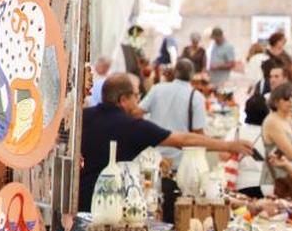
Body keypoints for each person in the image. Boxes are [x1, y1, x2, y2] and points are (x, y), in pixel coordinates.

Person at [78, 74, 251, 213]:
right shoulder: (133, 127)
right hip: (106, 207)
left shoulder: (82, 116)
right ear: (123, 99)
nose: (138, 101)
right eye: (136, 96)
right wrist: (228, 146)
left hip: (75, 202)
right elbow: (183, 141)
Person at [139, 58, 206, 166]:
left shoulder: (157, 89)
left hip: (153, 157)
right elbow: (198, 133)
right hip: (181, 160)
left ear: (175, 72)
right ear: (192, 75)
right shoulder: (196, 97)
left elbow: (137, 113)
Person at [261, 82, 292, 201]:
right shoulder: (273, 121)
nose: (291, 102)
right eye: (286, 98)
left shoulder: (288, 118)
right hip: (278, 180)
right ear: (276, 101)